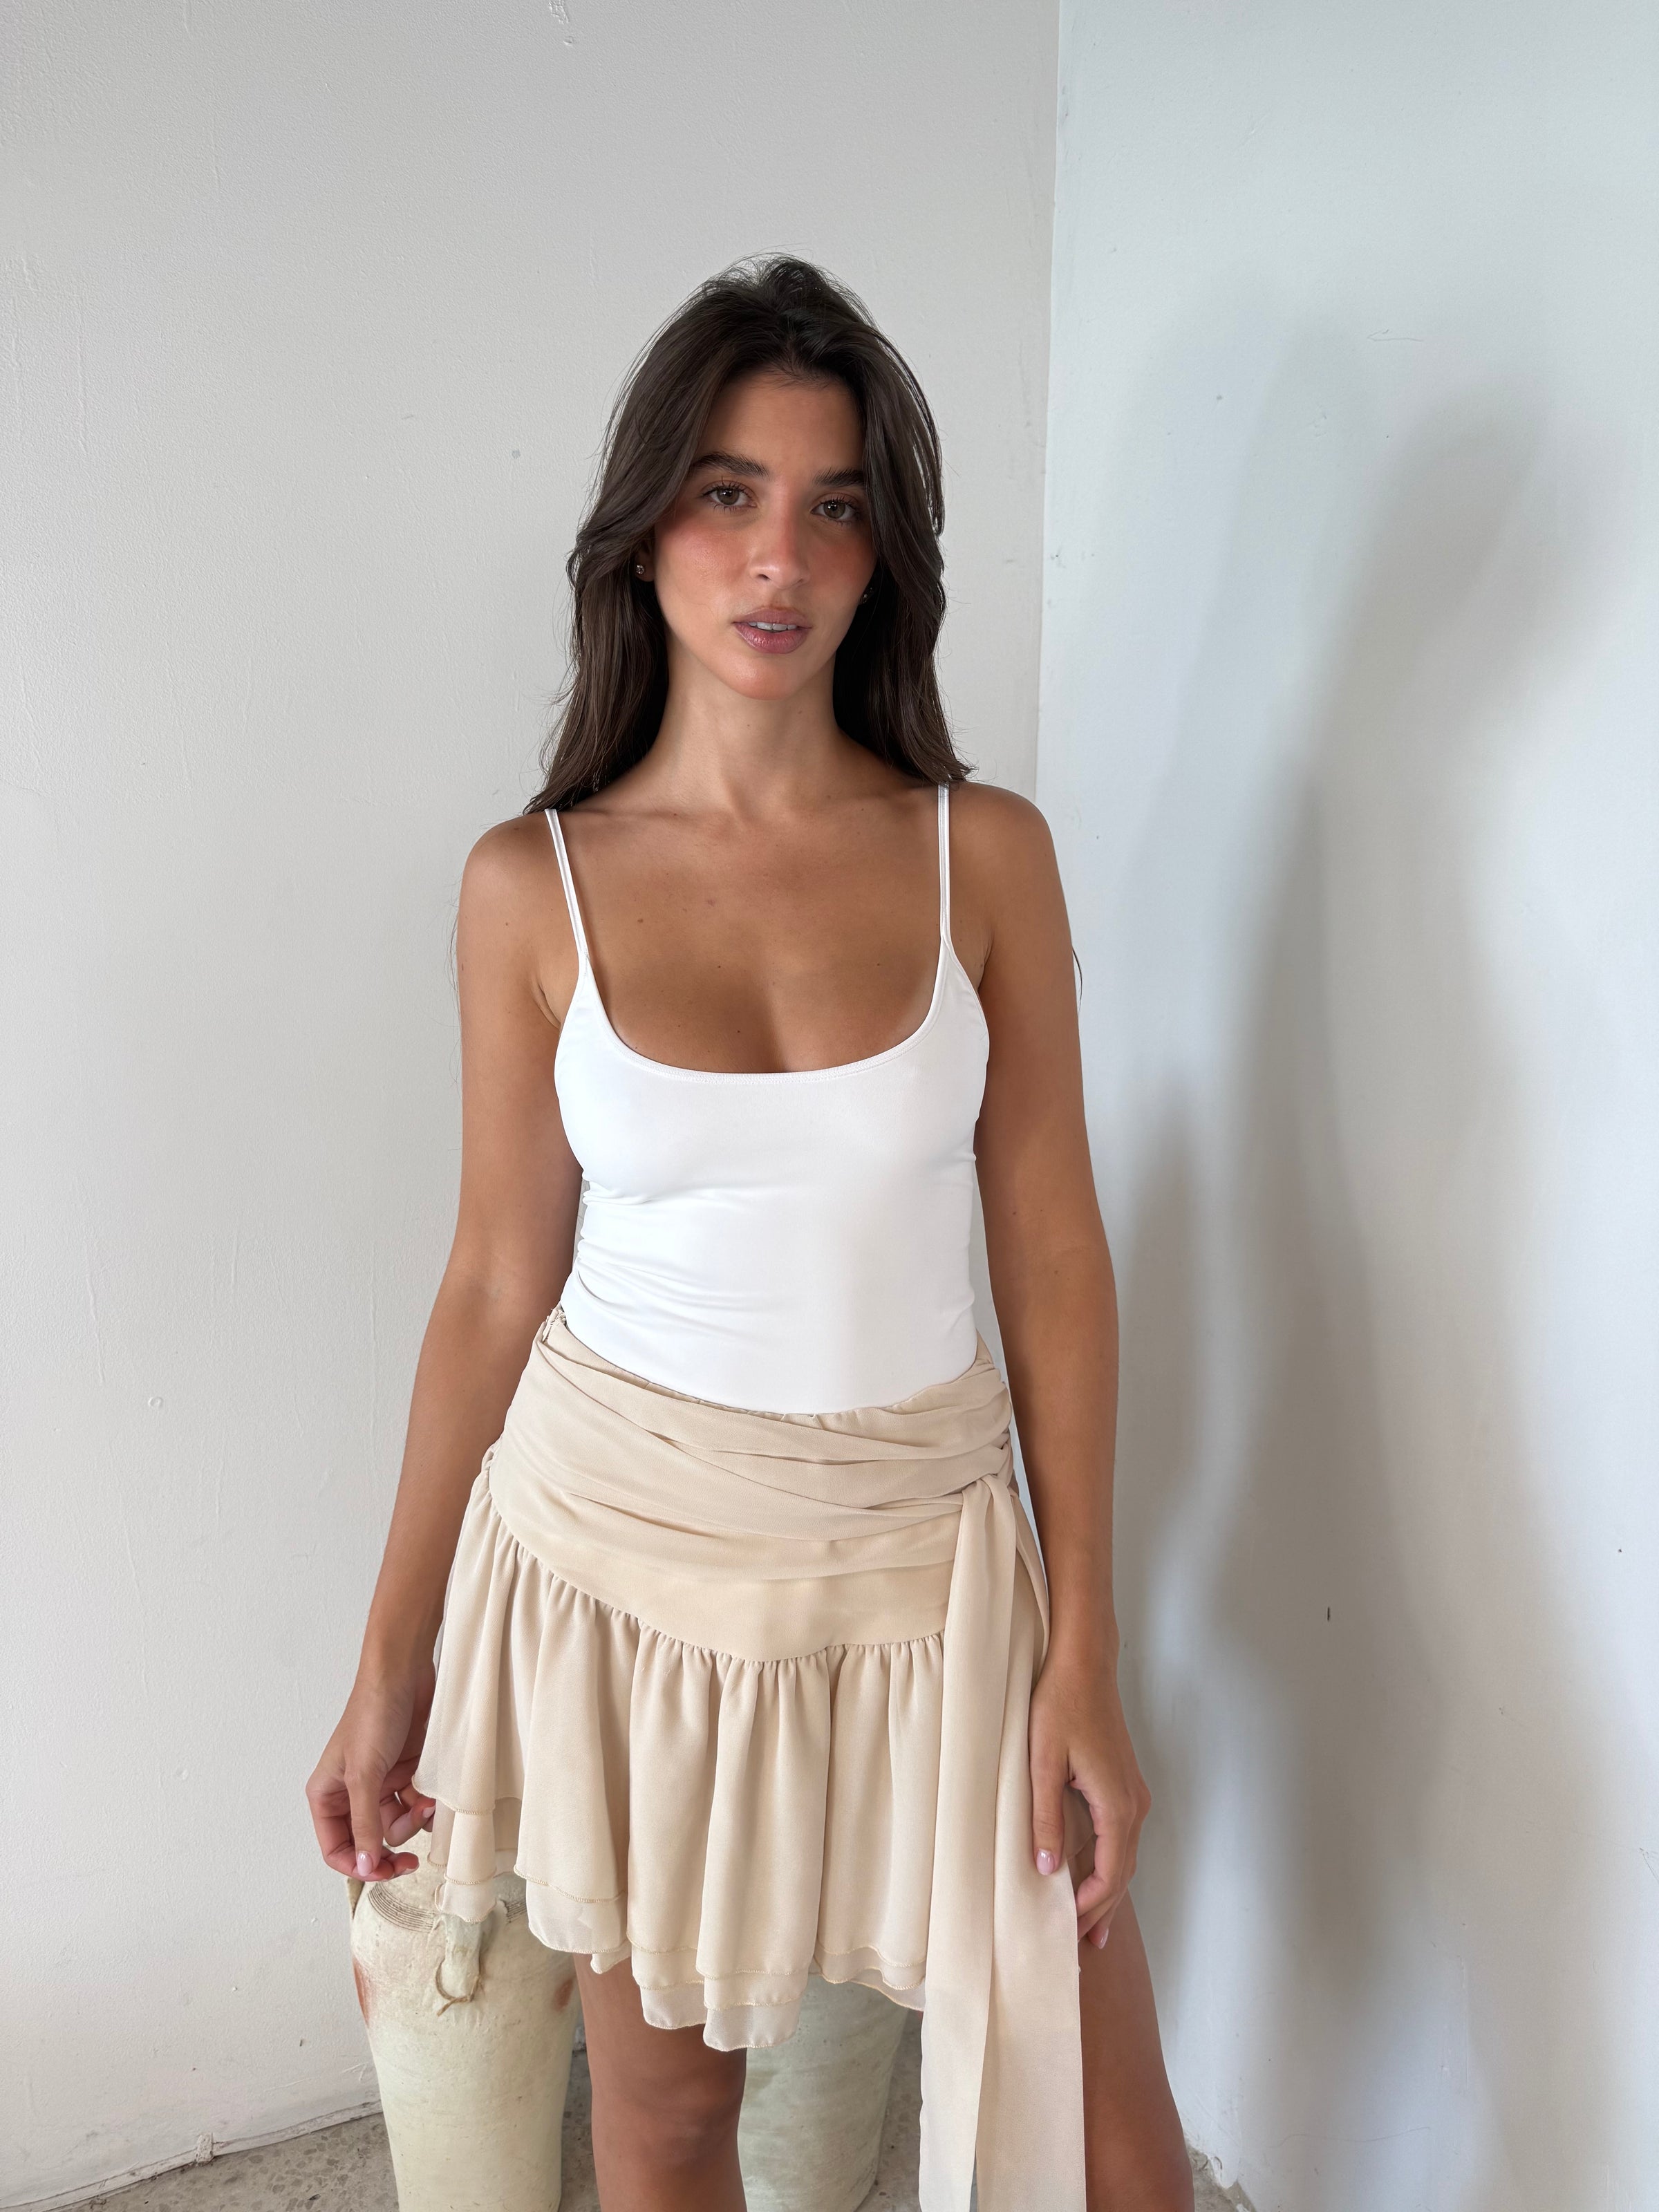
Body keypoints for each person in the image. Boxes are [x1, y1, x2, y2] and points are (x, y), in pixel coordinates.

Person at [307, 256, 1191, 2212]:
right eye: (729, 493)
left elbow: (1055, 1260)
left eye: (834, 504)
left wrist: (1090, 1646)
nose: (780, 556)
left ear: (884, 559)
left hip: (931, 1565)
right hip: (626, 1565)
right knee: (667, 2130)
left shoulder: (983, 855)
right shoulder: (532, 886)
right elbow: (493, 1280)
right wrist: (391, 1660)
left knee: (1108, 2141)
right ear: (645, 533)